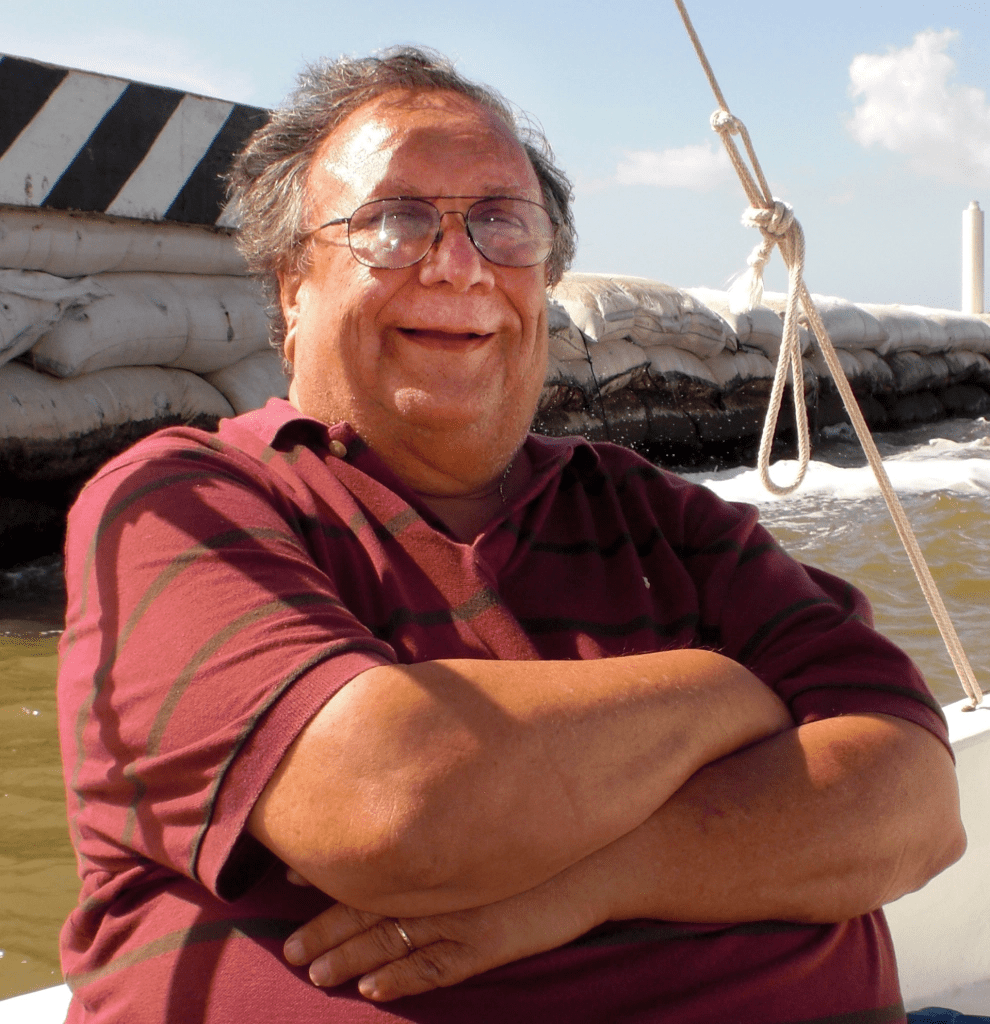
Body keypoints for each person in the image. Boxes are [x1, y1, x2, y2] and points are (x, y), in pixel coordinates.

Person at [57, 46, 965, 1023]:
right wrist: (725, 692)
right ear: (291, 287)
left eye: (500, 223)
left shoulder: (667, 519)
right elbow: (395, 807)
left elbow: (914, 803)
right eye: (394, 221)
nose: (459, 265)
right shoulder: (184, 504)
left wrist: (597, 880)